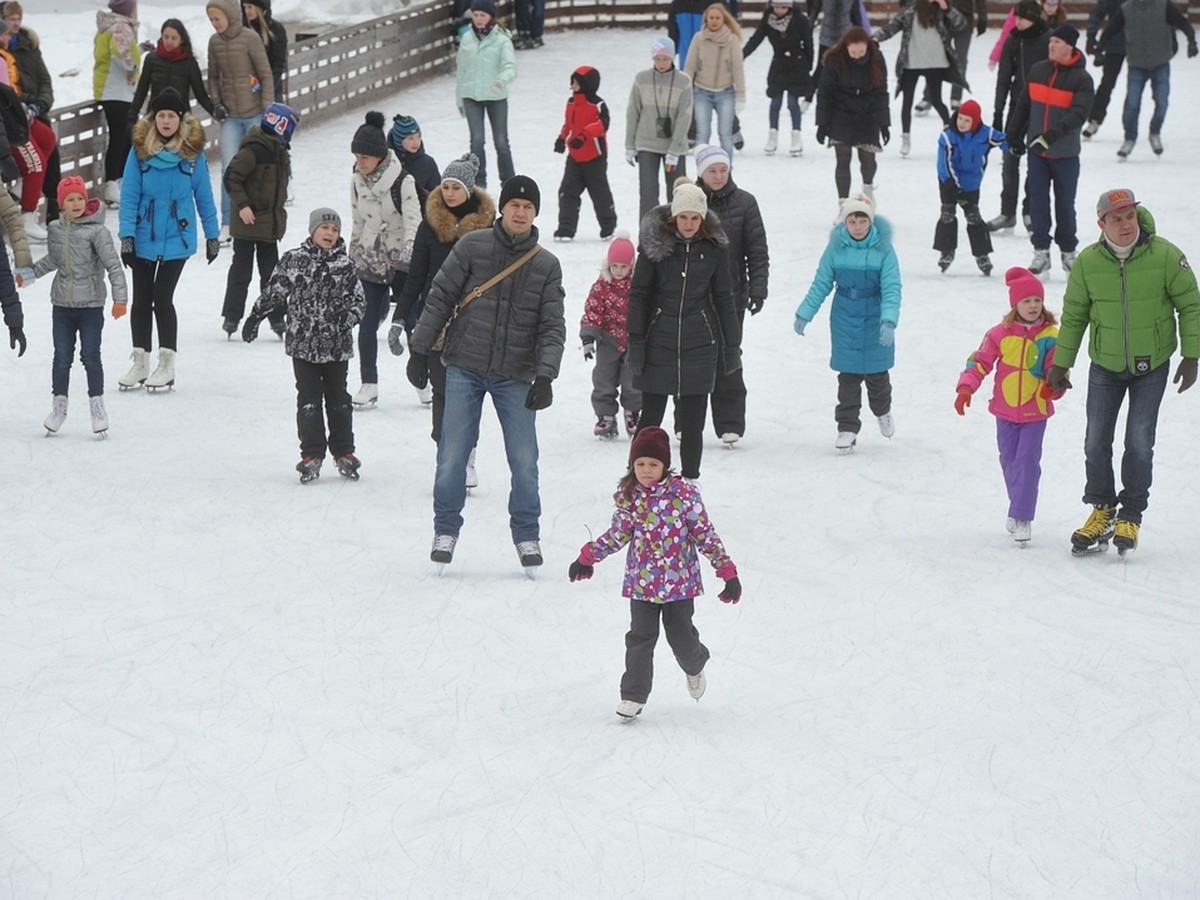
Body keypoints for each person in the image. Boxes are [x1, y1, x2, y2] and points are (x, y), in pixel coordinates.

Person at [406, 175, 565, 570]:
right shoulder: (472, 247)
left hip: (516, 374)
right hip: (465, 366)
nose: (521, 213)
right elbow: (440, 296)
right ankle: (445, 528)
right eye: (515, 205)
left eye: (528, 208)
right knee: (452, 454)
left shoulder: (546, 265)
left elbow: (552, 325)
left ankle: (527, 535)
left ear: (535, 214)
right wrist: (420, 350)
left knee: (525, 460)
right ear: (504, 208)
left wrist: (545, 375)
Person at [1046, 188, 1200, 555]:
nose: (1125, 224)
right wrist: (1061, 363)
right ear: (1102, 224)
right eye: (1115, 218)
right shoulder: (1087, 263)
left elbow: (1190, 305)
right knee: (1095, 441)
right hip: (1106, 364)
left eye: (1129, 216)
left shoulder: (1165, 256)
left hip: (1152, 364)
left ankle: (1130, 514)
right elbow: (1075, 317)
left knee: (1139, 443)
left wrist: (1192, 355)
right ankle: (1102, 509)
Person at [566, 425, 742, 720]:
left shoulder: (684, 494)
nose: (646, 470)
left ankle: (696, 663)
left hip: (680, 585)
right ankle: (633, 695)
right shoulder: (629, 497)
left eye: (653, 464)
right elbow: (617, 534)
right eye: (640, 464)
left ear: (665, 465)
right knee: (640, 639)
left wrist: (727, 571)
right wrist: (587, 558)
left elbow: (705, 535)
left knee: (681, 640)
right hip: (642, 585)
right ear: (632, 465)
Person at [388, 153, 494, 481]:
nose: (448, 193)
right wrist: (399, 318)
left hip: (476, 323)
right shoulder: (429, 226)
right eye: (445, 186)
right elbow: (415, 277)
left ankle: (468, 456)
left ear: (469, 190)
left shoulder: (488, 228)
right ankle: (445, 456)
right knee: (442, 391)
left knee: (469, 393)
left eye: (456, 187)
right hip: (436, 322)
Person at [242, 209, 366, 483]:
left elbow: (358, 300)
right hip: (303, 346)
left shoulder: (345, 264)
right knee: (308, 400)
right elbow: (276, 290)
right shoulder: (294, 260)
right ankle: (311, 454)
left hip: (336, 346)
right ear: (312, 230)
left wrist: (348, 318)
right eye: (324, 228)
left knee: (339, 400)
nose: (329, 234)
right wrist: (256, 315)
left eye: (334, 230)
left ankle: (344, 451)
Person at [628, 179, 740, 481]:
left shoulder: (714, 250)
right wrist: (636, 343)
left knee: (693, 424)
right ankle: (636, 483)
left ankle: (690, 484)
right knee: (650, 421)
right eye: (683, 217)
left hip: (699, 345)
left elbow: (724, 299)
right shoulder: (655, 248)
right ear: (673, 217)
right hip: (657, 342)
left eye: (694, 217)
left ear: (702, 219)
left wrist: (732, 347)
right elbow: (638, 295)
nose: (689, 223)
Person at [118, 87, 221, 392]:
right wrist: (126, 236)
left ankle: (166, 364)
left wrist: (213, 235)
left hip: (178, 234)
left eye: (171, 115)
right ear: (153, 118)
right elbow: (129, 196)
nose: (165, 121)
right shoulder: (139, 152)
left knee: (162, 299)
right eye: (160, 115)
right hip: (144, 234)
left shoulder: (192, 155)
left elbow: (204, 197)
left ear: (180, 118)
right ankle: (140, 361)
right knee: (141, 300)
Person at [955, 266, 1063, 544]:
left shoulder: (1051, 334)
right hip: (1004, 411)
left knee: (1027, 462)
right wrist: (966, 388)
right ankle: (1017, 506)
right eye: (1027, 301)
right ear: (1015, 304)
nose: (1033, 306)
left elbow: (1058, 368)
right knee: (1009, 461)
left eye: (1037, 300)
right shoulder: (999, 333)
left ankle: (1023, 516)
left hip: (1035, 410)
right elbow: (979, 361)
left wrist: (1054, 386)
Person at [18, 176, 127, 437]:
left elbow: (113, 265)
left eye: (80, 198)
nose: (76, 203)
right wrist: (29, 274)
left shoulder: (97, 231)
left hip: (90, 306)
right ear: (62, 204)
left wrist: (120, 299)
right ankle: (59, 408)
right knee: (61, 358)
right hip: (62, 306)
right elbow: (52, 261)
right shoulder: (56, 229)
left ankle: (97, 407)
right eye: (70, 199)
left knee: (90, 356)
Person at [794, 192, 901, 452]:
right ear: (844, 223)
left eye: (862, 221)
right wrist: (804, 313)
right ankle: (847, 427)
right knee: (848, 377)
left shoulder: (883, 248)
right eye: (852, 222)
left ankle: (882, 410)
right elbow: (821, 283)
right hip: (844, 317)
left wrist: (888, 320)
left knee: (877, 376)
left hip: (875, 316)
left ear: (871, 222)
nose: (857, 227)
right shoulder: (836, 248)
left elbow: (891, 287)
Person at [692, 144, 768, 445]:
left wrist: (758, 287)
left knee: (729, 356)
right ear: (701, 173)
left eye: (723, 170)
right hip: (694, 296)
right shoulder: (689, 202)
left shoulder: (746, 203)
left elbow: (757, 250)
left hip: (732, 295)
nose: (719, 176)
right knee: (692, 358)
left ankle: (730, 422)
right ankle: (687, 421)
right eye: (712, 170)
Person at [1004, 23, 1093, 276]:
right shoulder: (1038, 70)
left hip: (1065, 155)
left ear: (1070, 46)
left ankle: (1068, 253)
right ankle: (1041, 252)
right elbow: (1023, 106)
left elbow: (1078, 115)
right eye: (1051, 41)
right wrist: (1013, 135)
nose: (1051, 45)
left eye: (1057, 42)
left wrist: (1049, 136)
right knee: (1037, 203)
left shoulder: (1081, 79)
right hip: (1037, 154)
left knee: (1065, 204)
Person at [347, 110, 419, 408]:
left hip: (400, 260)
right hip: (370, 259)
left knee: (412, 323)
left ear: (379, 156)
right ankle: (369, 383)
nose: (360, 162)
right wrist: (353, 255)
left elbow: (415, 221)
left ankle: (423, 381)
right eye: (357, 156)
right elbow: (357, 220)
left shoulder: (403, 181)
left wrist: (409, 257)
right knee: (366, 323)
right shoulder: (356, 180)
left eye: (365, 157)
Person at [219, 101, 297, 337]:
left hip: (268, 225)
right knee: (241, 271)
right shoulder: (253, 150)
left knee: (272, 275)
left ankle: (276, 317)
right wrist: (242, 205)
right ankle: (232, 316)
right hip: (247, 223)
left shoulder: (279, 151)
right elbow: (231, 177)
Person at [206, 0, 275, 241]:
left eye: (218, 19)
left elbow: (265, 73)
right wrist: (216, 102)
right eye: (211, 20)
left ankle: (255, 216)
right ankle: (227, 220)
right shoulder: (214, 42)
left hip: (254, 112)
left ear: (230, 16)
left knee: (256, 166)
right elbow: (213, 77)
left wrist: (268, 111)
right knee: (229, 166)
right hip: (231, 117)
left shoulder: (250, 38)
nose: (215, 24)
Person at [1096, 0, 1197, 158]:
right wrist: (1099, 50)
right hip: (1137, 63)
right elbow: (1110, 30)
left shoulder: (1164, 5)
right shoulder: (1126, 8)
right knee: (1132, 104)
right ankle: (1129, 138)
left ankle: (1155, 132)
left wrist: (1192, 40)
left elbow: (1182, 22)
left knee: (1162, 102)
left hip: (1160, 62)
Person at [874, 0, 969, 157]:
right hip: (912, 62)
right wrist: (876, 37)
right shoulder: (910, 10)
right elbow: (891, 27)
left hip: (935, 62)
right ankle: (906, 137)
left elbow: (961, 24)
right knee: (907, 101)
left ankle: (951, 133)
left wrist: (946, 8)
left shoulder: (942, 11)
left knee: (937, 101)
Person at [988, 0, 1048, 232]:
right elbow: (1003, 79)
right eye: (1017, 17)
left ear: (1033, 17)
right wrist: (997, 113)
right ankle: (1007, 212)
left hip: (1041, 109)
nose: (1017, 21)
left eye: (1022, 17)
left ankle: (1029, 209)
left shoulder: (1047, 39)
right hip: (1017, 107)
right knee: (1010, 160)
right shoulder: (1013, 40)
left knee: (1036, 160)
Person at [814, 27, 889, 206]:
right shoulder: (835, 61)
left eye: (861, 52)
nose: (857, 55)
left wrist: (884, 124)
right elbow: (824, 92)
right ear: (846, 47)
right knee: (843, 158)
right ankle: (843, 203)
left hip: (868, 113)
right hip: (841, 113)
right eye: (853, 52)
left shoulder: (876, 59)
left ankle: (868, 188)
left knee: (868, 159)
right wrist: (822, 124)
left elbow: (881, 93)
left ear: (868, 47)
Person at [2, 1, 57, 240]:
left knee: (48, 139)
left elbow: (43, 79)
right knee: (35, 165)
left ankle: (21, 189)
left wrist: (36, 104)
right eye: (7, 23)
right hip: (10, 119)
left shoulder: (20, 51)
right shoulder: (4, 57)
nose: (12, 28)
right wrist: (21, 104)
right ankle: (27, 213)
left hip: (25, 113)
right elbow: (8, 93)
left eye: (17, 19)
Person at [934, 98, 1006, 275]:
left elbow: (1004, 141)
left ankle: (982, 255)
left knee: (973, 217)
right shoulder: (947, 136)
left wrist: (1015, 147)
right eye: (960, 118)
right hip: (949, 182)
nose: (962, 123)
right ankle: (946, 251)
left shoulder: (985, 134)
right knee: (947, 214)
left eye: (967, 120)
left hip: (971, 184)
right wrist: (953, 186)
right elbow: (943, 164)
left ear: (975, 121)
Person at [625, 36, 694, 219]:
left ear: (672, 58)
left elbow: (684, 116)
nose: (661, 63)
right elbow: (633, 111)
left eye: (666, 58)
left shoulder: (684, 81)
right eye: (657, 59)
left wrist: (674, 149)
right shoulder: (642, 79)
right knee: (648, 192)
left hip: (675, 145)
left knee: (678, 192)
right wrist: (630, 145)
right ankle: (648, 236)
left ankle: (678, 236)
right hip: (646, 143)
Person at [581, 231, 640, 438]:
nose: (618, 271)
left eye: (624, 266)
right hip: (607, 341)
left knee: (632, 380)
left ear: (631, 265)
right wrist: (588, 338)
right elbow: (593, 311)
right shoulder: (602, 286)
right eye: (615, 265)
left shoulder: (638, 285)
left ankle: (632, 413)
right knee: (603, 379)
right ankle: (605, 416)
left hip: (633, 341)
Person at [455, 0, 517, 191]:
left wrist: (501, 80)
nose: (479, 19)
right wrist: (459, 99)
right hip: (471, 97)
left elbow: (510, 66)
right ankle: (478, 182)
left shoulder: (502, 39)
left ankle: (508, 181)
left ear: (491, 16)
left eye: (483, 15)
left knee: (501, 142)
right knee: (477, 141)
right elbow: (461, 71)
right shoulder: (466, 39)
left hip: (496, 97)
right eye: (475, 15)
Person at [553, 65, 617, 241]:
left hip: (594, 157)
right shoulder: (571, 103)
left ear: (587, 84)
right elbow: (568, 123)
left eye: (576, 82)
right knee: (567, 191)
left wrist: (584, 136)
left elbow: (602, 126)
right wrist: (561, 138)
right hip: (574, 157)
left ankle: (608, 226)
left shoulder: (598, 105)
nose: (572, 85)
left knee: (599, 193)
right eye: (572, 81)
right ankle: (566, 229)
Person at [743, 0, 814, 157]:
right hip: (779, 65)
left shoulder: (800, 19)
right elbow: (756, 39)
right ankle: (772, 136)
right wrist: (742, 55)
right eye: (776, 7)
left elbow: (808, 42)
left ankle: (796, 136)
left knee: (792, 103)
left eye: (783, 7)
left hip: (797, 64)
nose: (779, 10)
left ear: (789, 7)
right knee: (775, 102)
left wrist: (808, 65)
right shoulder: (768, 19)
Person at [683, 3, 746, 162]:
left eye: (717, 18)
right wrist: (683, 89)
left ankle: (727, 171)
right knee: (702, 134)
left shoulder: (732, 40)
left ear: (723, 19)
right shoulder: (699, 38)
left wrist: (741, 95)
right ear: (706, 19)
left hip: (725, 93)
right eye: (711, 17)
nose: (714, 21)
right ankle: (702, 171)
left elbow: (737, 68)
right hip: (701, 92)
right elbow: (689, 66)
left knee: (725, 134)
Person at [93, 0, 141, 207]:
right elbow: (121, 52)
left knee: (125, 137)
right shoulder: (120, 26)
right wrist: (132, 68)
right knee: (120, 137)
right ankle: (112, 183)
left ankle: (118, 181)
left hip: (114, 89)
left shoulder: (111, 26)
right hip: (116, 90)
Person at [128, 19, 214, 123]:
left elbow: (201, 96)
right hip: (155, 117)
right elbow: (142, 90)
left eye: (174, 38)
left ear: (181, 39)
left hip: (181, 119)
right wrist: (132, 113)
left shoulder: (190, 63)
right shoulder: (152, 59)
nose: (169, 41)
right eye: (166, 37)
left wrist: (214, 112)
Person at [916, 0, 987, 114]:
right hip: (942, 20)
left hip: (964, 22)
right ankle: (929, 97)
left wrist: (982, 17)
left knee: (960, 60)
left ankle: (956, 97)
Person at [1083, 0, 1126, 138]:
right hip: (1115, 43)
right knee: (1107, 83)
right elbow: (1098, 12)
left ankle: (1131, 126)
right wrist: (1091, 35)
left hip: (1141, 45)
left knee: (1137, 85)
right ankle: (1094, 119)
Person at [988, 0, 1065, 68]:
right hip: (1025, 56)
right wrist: (996, 55)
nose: (1050, 8)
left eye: (1054, 5)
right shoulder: (1026, 10)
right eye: (1048, 4)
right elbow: (1006, 34)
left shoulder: (1059, 18)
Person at [388, 113, 441, 206]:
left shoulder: (428, 163)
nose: (416, 142)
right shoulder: (387, 162)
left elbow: (438, 195)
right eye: (410, 138)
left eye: (419, 136)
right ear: (398, 140)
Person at [241, 0, 287, 101]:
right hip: (247, 90)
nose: (247, 11)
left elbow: (279, 63)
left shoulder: (275, 29)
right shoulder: (242, 29)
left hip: (271, 90)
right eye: (245, 7)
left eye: (250, 7)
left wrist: (268, 88)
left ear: (260, 8)